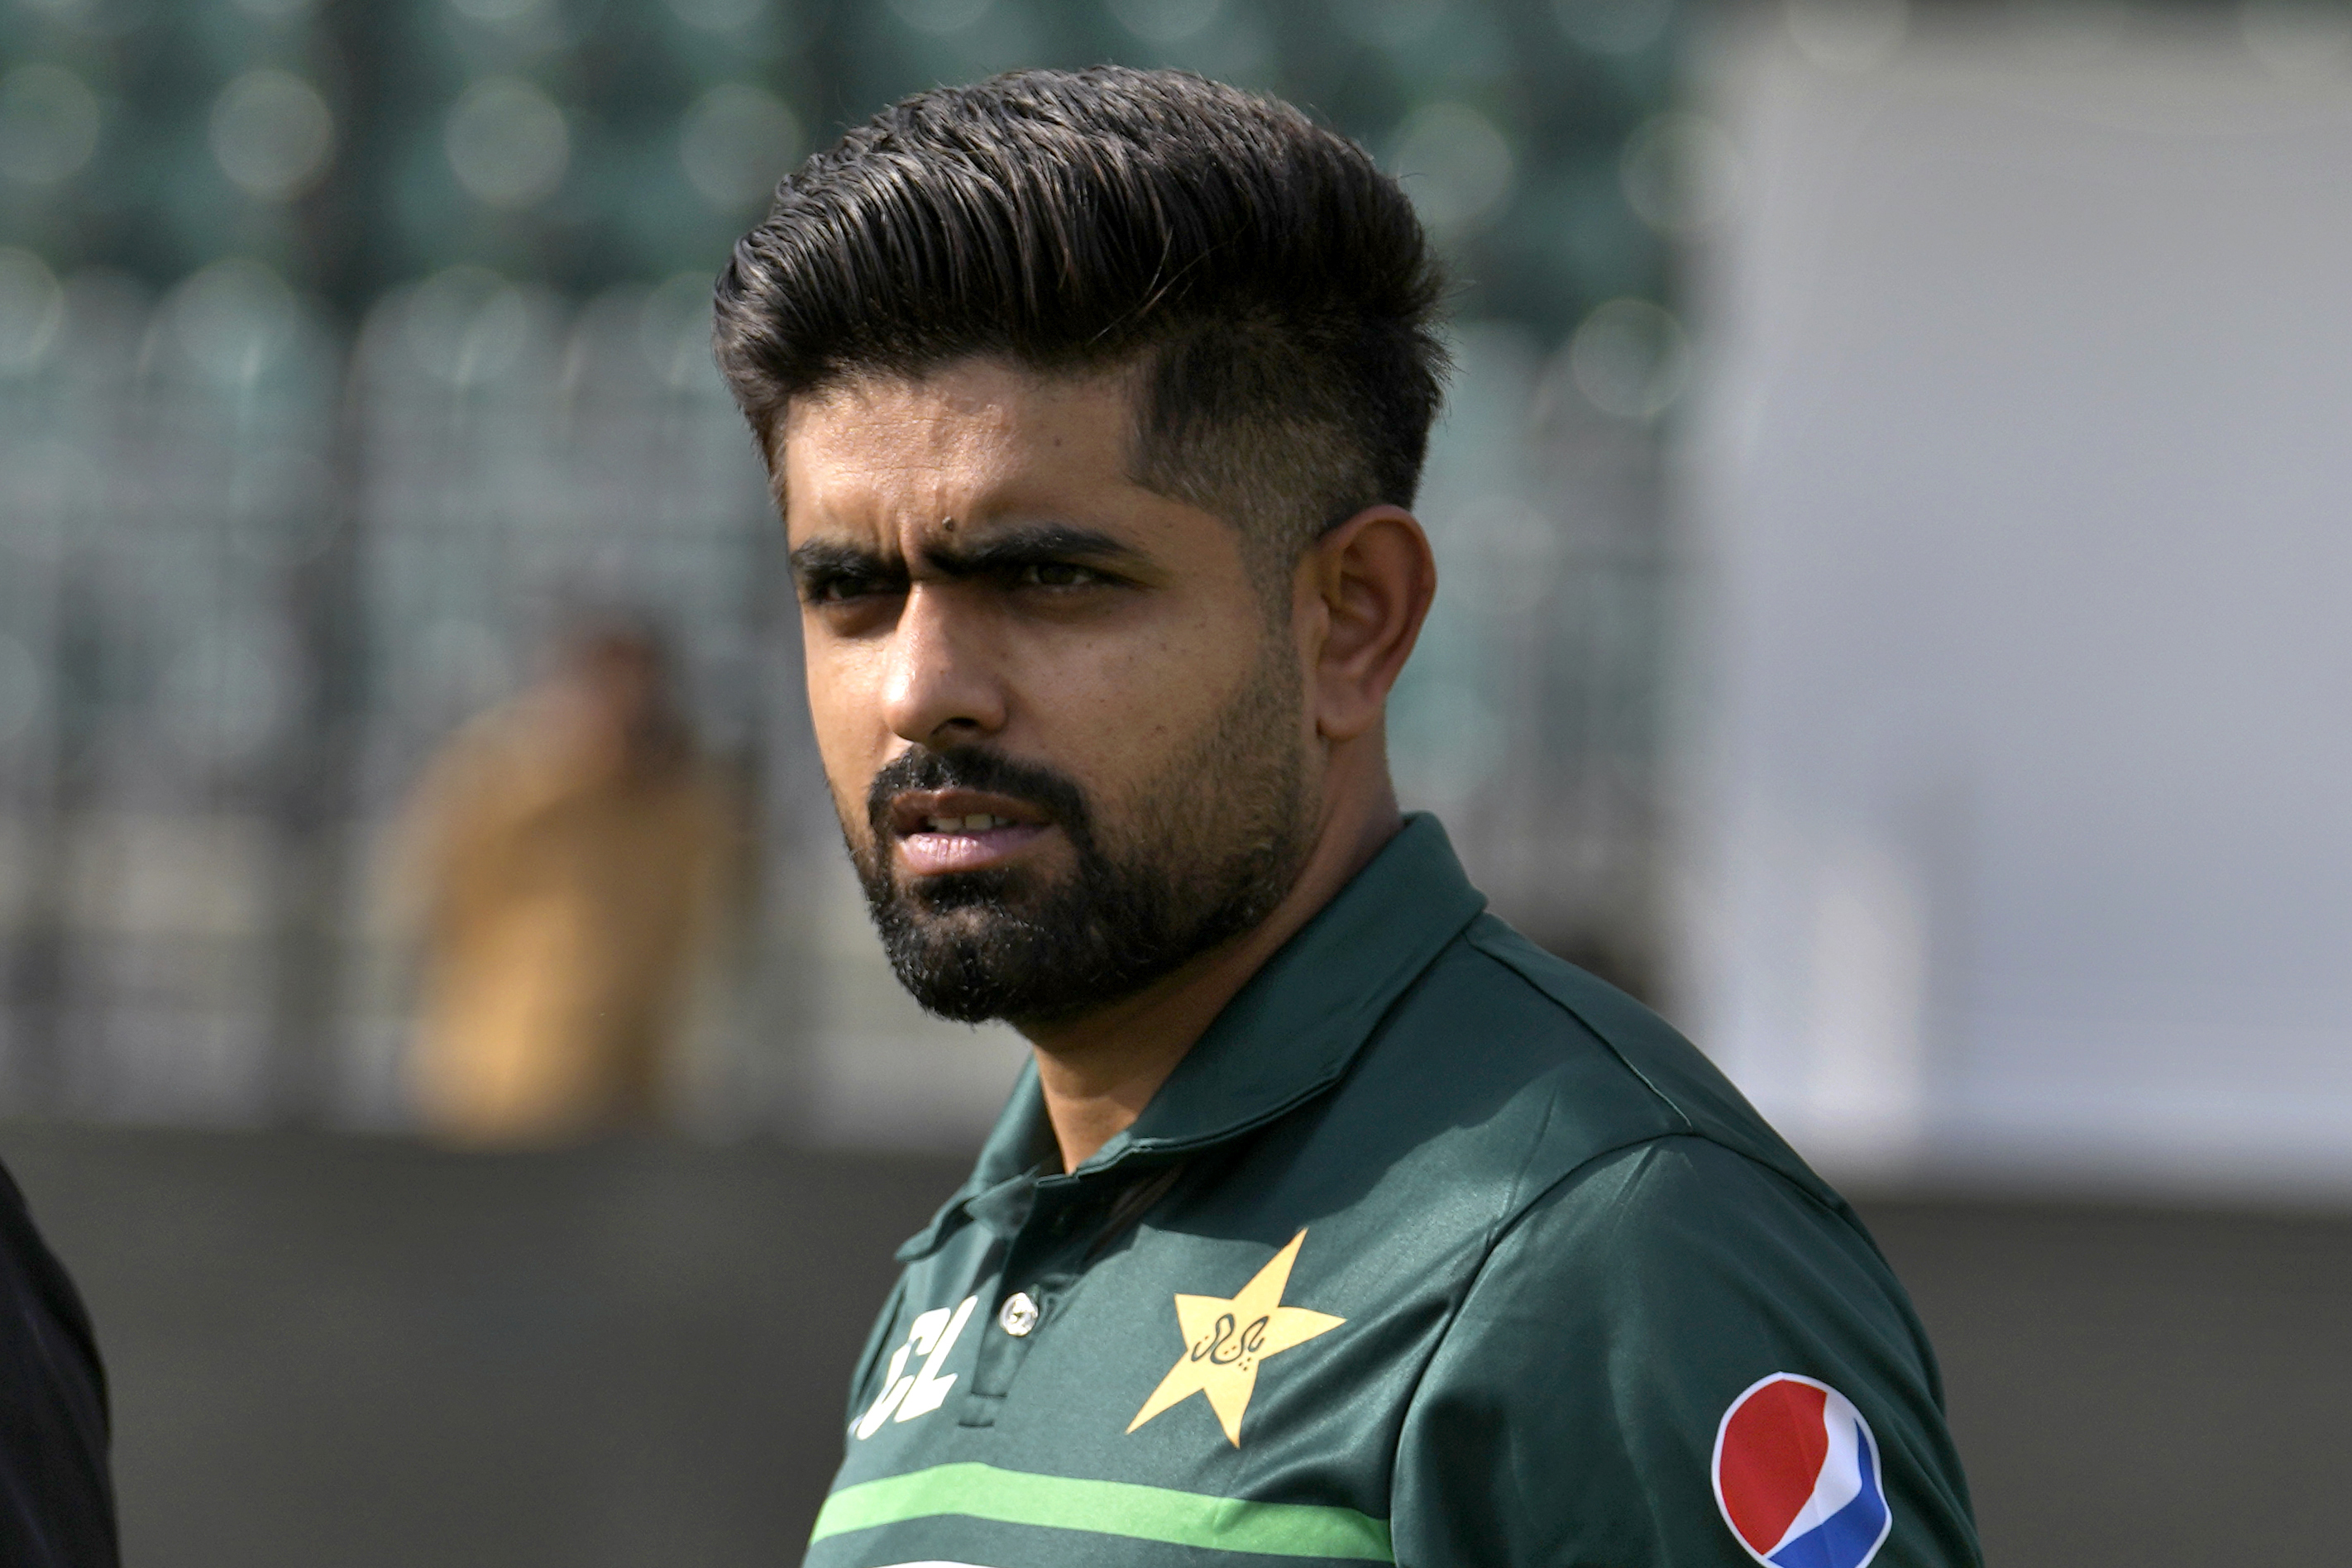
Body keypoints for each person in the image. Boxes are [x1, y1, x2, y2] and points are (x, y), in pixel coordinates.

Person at [715, 67, 1981, 1568]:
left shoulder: (1603, 1248)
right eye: (847, 589)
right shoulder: (981, 1252)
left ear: (1351, 622)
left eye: (1049, 577)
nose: (922, 689)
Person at [401, 618, 736, 1145]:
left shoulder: (674, 800)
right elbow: (441, 884)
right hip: (510, 1072)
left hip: (632, 1077)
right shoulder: (510, 775)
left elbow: (707, 906)